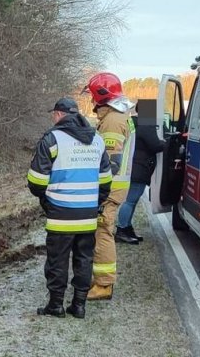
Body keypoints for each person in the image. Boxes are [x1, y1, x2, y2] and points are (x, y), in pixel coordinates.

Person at [27, 97, 112, 319]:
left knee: (58, 259)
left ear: (58, 115)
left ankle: (55, 305)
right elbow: (105, 181)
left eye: (53, 115)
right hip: (88, 214)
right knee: (84, 259)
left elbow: (36, 181)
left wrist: (47, 201)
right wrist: (94, 204)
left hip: (60, 213)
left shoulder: (52, 139)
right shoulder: (97, 140)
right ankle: (79, 305)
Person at [82, 72, 136, 301]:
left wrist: (98, 192)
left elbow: (110, 163)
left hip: (110, 188)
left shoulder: (113, 121)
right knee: (103, 230)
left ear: (101, 96)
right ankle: (101, 280)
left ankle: (104, 285)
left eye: (93, 97)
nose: (92, 102)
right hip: (115, 187)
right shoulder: (119, 116)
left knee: (102, 231)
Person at [115, 112, 166, 244]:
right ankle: (121, 229)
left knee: (131, 200)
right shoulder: (146, 125)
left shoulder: (132, 123)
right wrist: (166, 142)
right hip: (140, 168)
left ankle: (127, 228)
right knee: (130, 201)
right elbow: (155, 145)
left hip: (132, 166)